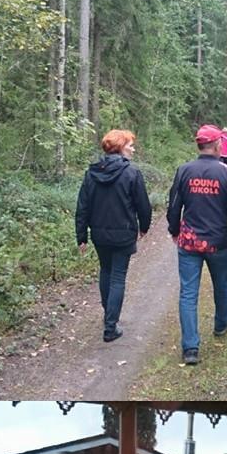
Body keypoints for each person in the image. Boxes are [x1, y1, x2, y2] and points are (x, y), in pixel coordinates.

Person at [167, 124, 227, 365]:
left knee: (188, 293)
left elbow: (174, 206)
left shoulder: (184, 171)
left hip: (189, 243)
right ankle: (222, 323)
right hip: (218, 243)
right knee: (221, 283)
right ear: (216, 145)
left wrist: (174, 230)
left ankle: (190, 348)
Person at [75, 129, 152, 342]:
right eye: (130, 145)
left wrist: (81, 236)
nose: (133, 149)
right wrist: (144, 226)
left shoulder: (91, 173)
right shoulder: (132, 173)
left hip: (99, 235)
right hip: (123, 234)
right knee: (117, 276)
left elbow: (82, 206)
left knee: (106, 271)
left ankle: (108, 313)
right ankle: (110, 326)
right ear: (120, 147)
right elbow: (143, 205)